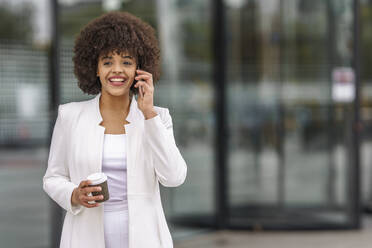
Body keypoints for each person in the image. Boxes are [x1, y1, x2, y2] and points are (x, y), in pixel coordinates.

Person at [43, 11, 187, 248]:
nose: (117, 70)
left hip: (145, 239)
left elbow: (174, 177)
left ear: (140, 70)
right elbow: (53, 177)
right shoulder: (70, 116)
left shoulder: (157, 117)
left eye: (127, 62)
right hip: (84, 237)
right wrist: (74, 195)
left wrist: (148, 114)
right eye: (108, 62)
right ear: (95, 68)